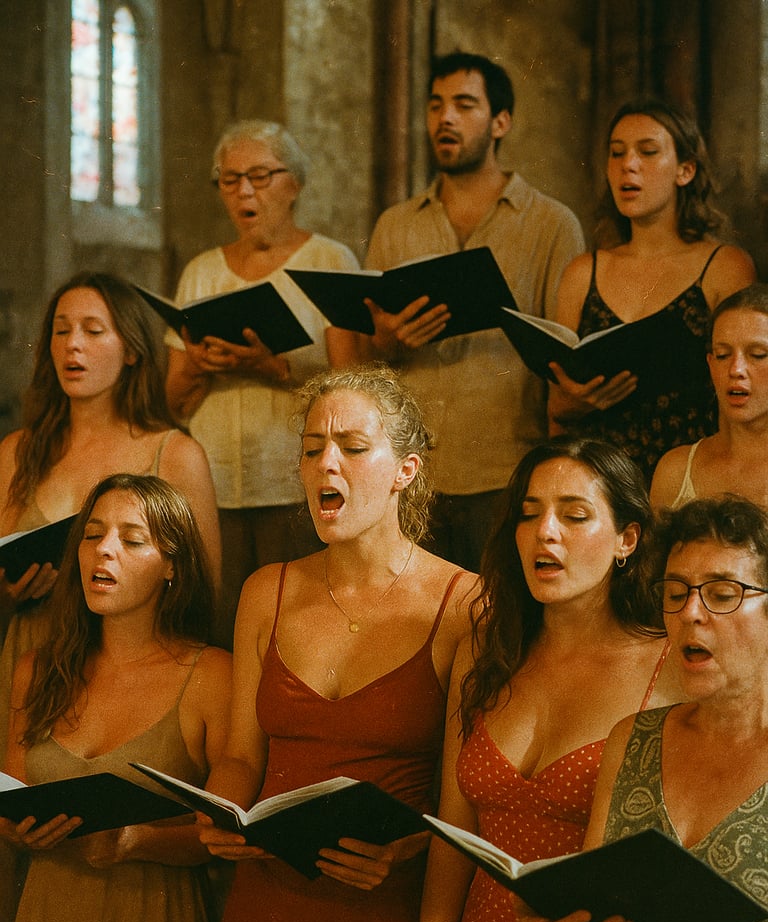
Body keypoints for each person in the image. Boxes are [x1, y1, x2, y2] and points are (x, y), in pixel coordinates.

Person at [197, 365, 476, 922]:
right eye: (312, 447)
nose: (327, 463)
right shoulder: (267, 590)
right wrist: (221, 808)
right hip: (265, 918)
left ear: (405, 470)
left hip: (381, 918)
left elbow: (465, 801)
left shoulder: (466, 603)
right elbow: (240, 755)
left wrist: (407, 849)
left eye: (353, 447)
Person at [402, 438, 682, 922]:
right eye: (529, 514)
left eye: (574, 515)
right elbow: (455, 838)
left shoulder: (670, 667)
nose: (545, 533)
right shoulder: (489, 652)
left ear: (627, 540)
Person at [0, 271, 221, 922]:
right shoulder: (15, 451)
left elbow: (200, 593)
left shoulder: (172, 452)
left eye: (93, 329)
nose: (72, 344)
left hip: (138, 670)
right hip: (31, 655)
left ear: (133, 348)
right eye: (61, 329)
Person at [517, 494, 768, 922]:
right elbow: (598, 920)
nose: (690, 613)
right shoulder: (633, 739)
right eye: (675, 594)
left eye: (723, 594)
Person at [0, 473, 232, 922]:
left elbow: (229, 834)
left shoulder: (210, 676)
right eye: (93, 534)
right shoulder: (36, 670)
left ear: (172, 566)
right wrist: (18, 830)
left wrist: (134, 841)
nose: (103, 550)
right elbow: (8, 789)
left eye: (132, 540)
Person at [364, 51, 585, 572]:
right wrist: (389, 340)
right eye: (436, 105)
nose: (445, 118)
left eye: (464, 105)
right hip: (411, 475)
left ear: (501, 121)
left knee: (505, 631)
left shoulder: (551, 224)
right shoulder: (396, 225)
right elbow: (370, 355)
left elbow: (565, 354)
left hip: (508, 470)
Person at [165, 118, 360, 647]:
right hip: (214, 489)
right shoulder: (201, 273)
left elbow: (354, 390)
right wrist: (203, 362)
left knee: (293, 629)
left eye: (259, 176)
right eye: (229, 180)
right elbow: (170, 399)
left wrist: (275, 368)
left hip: (293, 485)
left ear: (293, 183)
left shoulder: (330, 261)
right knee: (218, 631)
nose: (243, 191)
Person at [548, 97, 756, 482]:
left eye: (647, 151)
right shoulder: (583, 272)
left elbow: (751, 388)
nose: (628, 164)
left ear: (685, 170)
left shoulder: (724, 266)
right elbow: (556, 413)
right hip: (600, 485)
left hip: (691, 479)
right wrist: (572, 403)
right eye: (616, 153)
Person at [651, 284, 768, 510]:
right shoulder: (676, 471)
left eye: (757, 355)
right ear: (710, 364)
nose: (736, 369)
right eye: (723, 355)